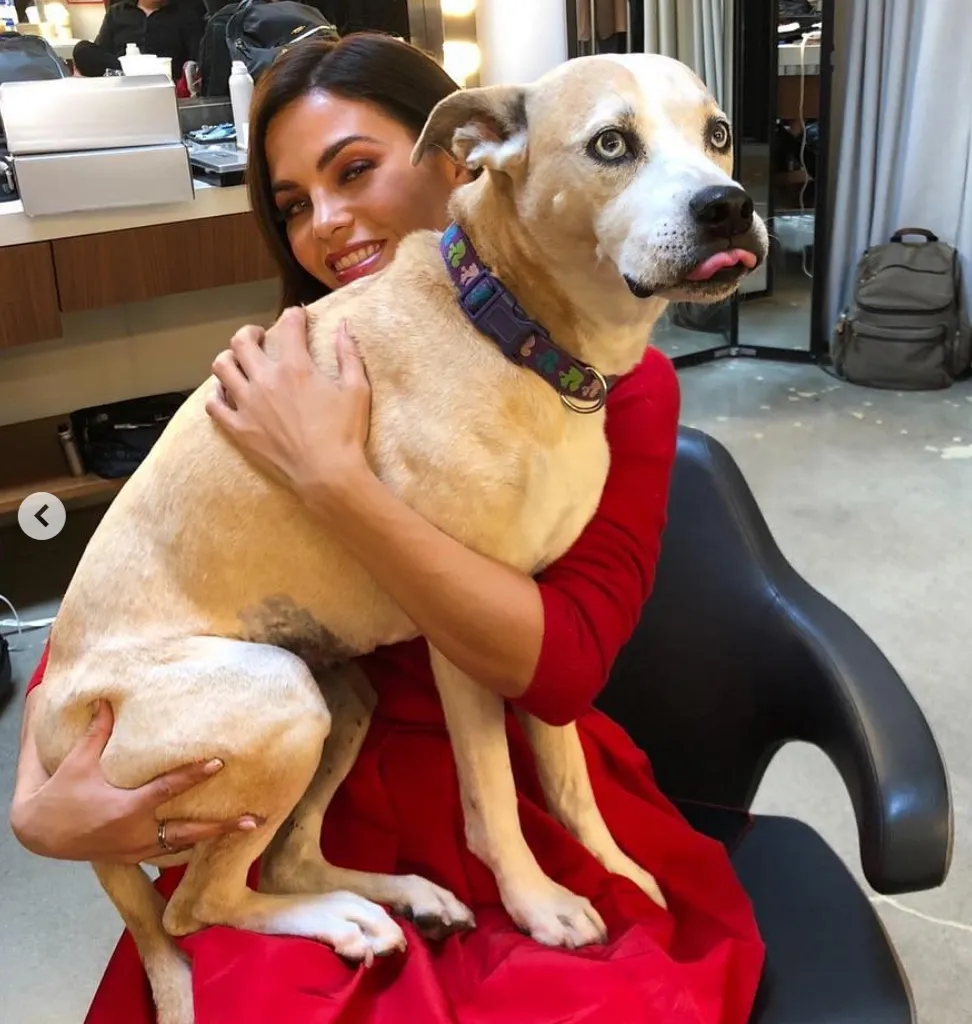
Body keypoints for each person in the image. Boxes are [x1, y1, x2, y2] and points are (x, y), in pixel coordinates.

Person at [10, 34, 765, 1024]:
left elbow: (564, 664)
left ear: (466, 156)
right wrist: (34, 804)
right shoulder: (288, 364)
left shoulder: (606, 382)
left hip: (446, 751)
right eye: (290, 204)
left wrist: (330, 477)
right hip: (274, 750)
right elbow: (127, 599)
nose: (327, 222)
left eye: (357, 170)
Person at [72, 0, 205, 86]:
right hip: (122, 75)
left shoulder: (185, 15)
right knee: (82, 49)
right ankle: (133, 71)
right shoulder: (116, 12)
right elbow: (102, 52)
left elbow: (196, 58)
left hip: (163, 76)